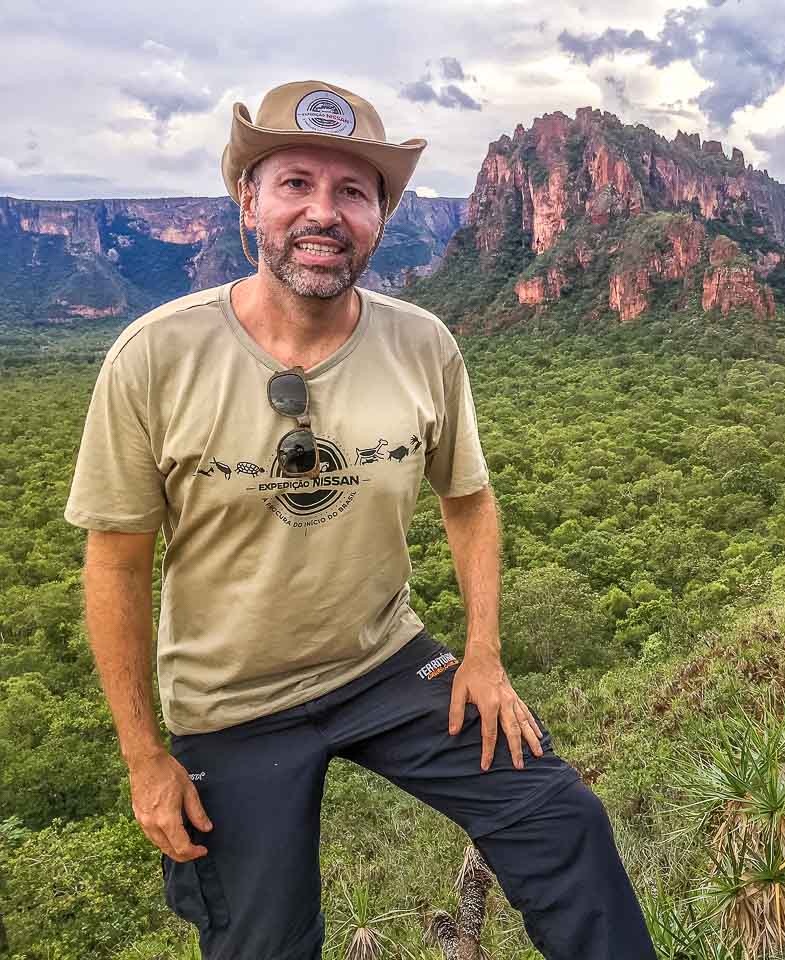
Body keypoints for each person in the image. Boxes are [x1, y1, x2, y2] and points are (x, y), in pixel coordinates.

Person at [63, 79, 657, 960]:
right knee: (266, 941)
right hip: (232, 705)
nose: (323, 212)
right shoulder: (155, 356)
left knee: (560, 820)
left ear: (381, 217)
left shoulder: (423, 345)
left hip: (386, 664)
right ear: (248, 203)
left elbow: (469, 499)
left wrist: (483, 657)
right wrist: (144, 756)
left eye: (352, 192)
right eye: (295, 183)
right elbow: (114, 562)